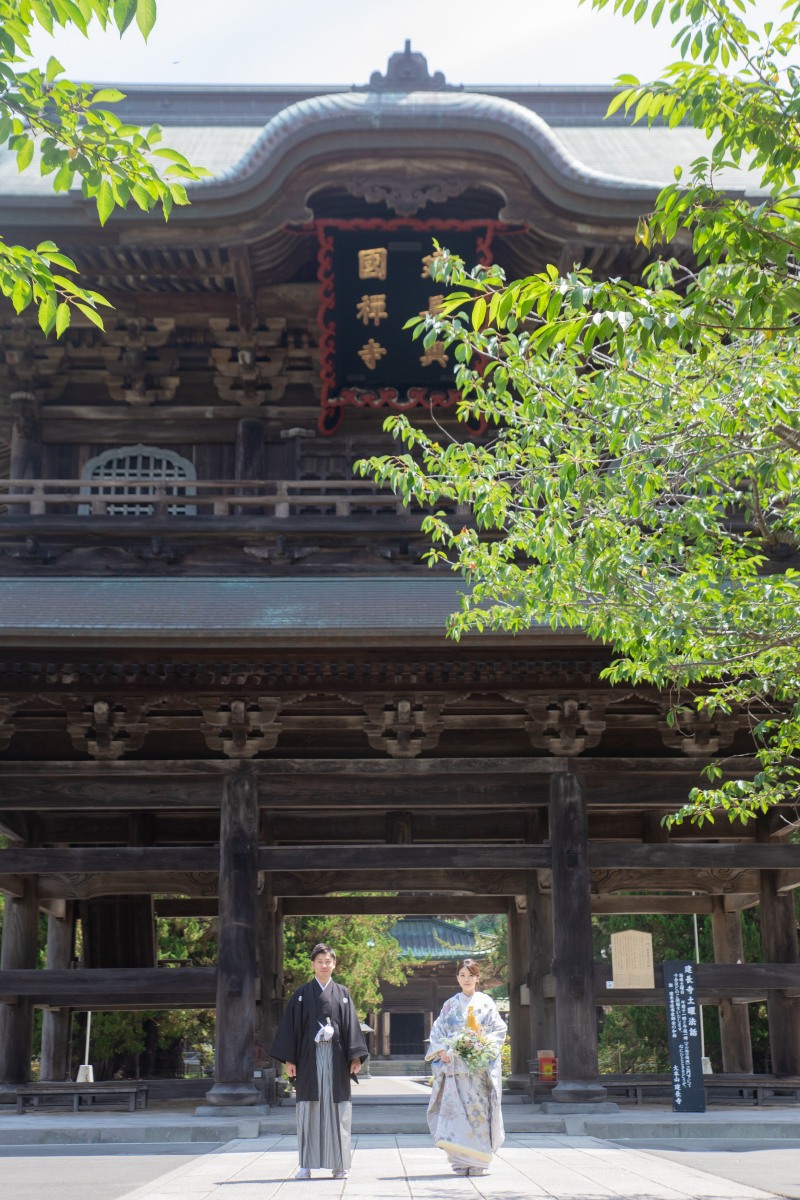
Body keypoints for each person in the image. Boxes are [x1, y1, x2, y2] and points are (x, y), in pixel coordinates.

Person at [270, 942, 368, 1181]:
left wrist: (355, 1056)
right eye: (320, 961)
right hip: (308, 1059)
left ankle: (340, 1165)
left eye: (328, 961)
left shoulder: (343, 994)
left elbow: (351, 1027)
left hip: (336, 1060)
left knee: (339, 1110)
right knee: (308, 1109)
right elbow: (291, 1029)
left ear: (334, 964)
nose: (324, 965)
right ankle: (306, 1164)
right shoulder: (302, 995)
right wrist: (289, 1060)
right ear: (312, 964)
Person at [425, 957, 507, 1177]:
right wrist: (442, 1050)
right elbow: (438, 1030)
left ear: (477, 978)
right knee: (455, 1115)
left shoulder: (486, 1002)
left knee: (477, 1113)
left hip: (477, 1069)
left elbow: (498, 1030)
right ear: (457, 978)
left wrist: (482, 1046)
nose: (466, 979)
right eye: (462, 975)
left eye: (471, 975)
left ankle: (479, 1161)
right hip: (454, 1069)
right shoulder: (450, 1004)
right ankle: (459, 1160)